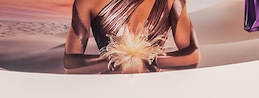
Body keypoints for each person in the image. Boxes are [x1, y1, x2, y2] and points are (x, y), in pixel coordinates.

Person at [64, 0, 198, 73]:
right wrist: (115, 60)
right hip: (109, 91)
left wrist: (147, 58)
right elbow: (69, 63)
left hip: (155, 89)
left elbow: (193, 56)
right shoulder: (86, 2)